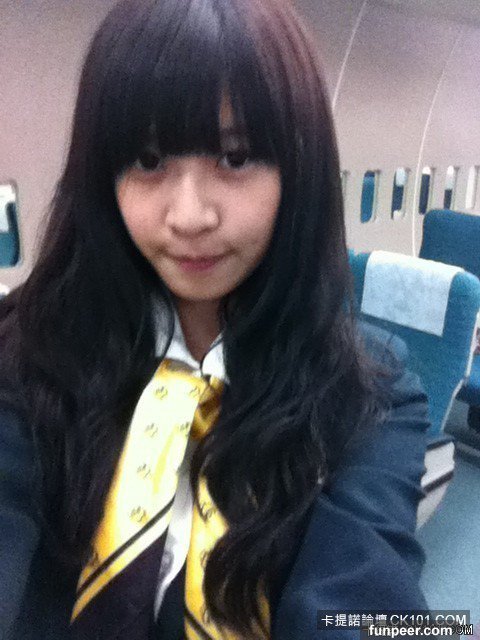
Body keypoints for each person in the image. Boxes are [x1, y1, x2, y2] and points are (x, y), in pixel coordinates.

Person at [0, 0, 431, 638]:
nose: (190, 217)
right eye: (148, 162)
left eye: (235, 158)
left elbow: (367, 605)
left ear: (299, 173)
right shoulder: (25, 352)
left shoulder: (373, 388)